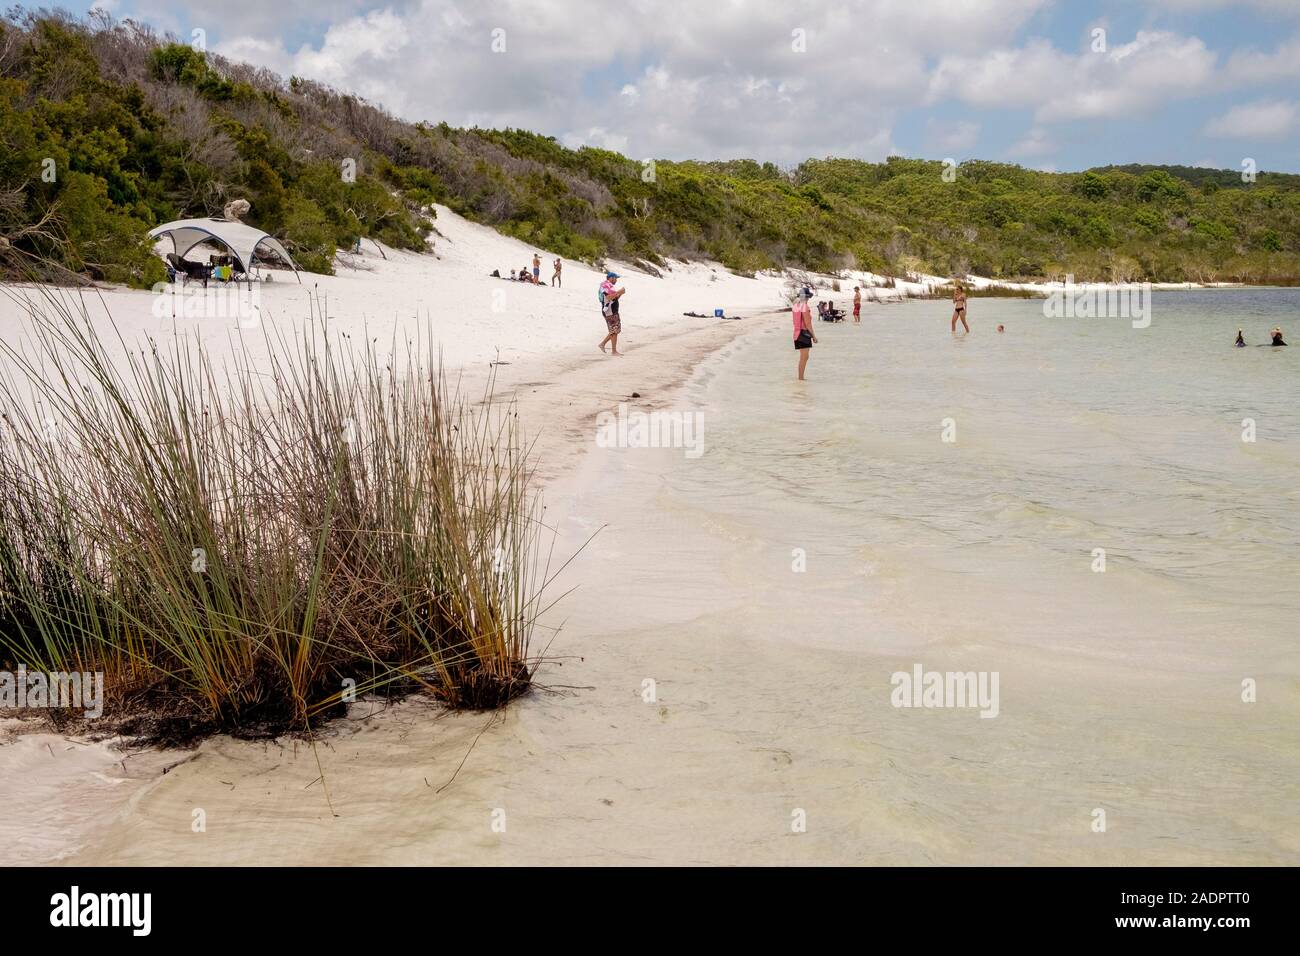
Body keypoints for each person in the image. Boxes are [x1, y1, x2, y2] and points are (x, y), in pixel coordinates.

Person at [793, 287, 817, 380]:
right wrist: (814, 336)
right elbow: (808, 323)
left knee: (803, 357)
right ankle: (801, 378)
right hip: (803, 334)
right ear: (806, 297)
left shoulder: (795, 306)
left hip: (796, 333)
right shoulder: (805, 307)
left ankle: (801, 378)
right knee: (804, 357)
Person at [598, 271, 624, 355]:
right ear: (611, 278)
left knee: (614, 330)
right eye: (616, 278)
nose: (616, 280)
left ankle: (606, 346)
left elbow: (614, 299)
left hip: (612, 310)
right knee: (614, 330)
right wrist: (619, 292)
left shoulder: (609, 286)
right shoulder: (605, 285)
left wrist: (620, 294)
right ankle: (612, 350)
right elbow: (608, 297)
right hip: (610, 311)